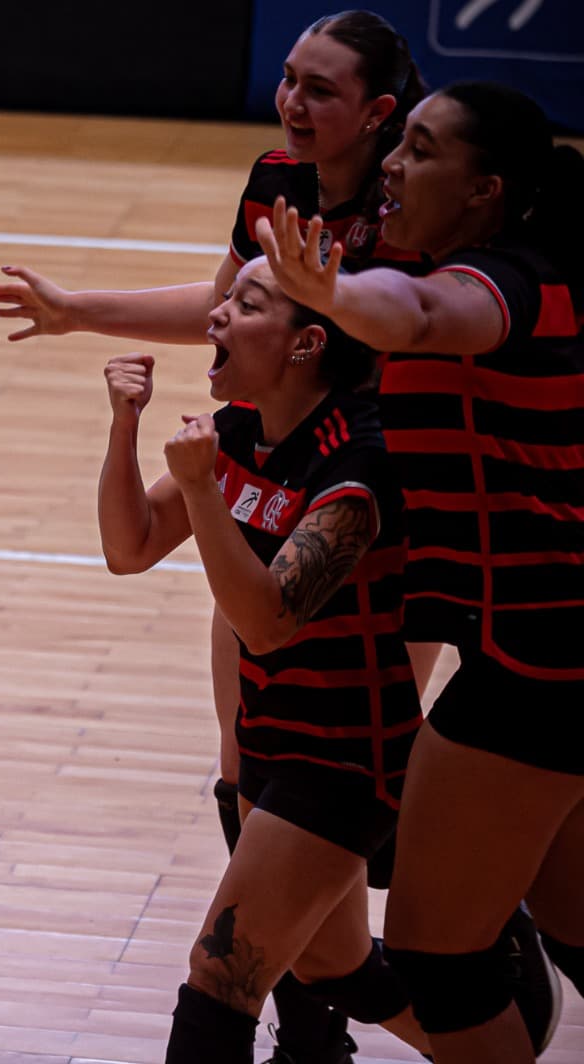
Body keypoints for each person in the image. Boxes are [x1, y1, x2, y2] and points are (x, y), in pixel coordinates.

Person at [0, 13, 429, 1060]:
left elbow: (409, 326)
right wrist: (78, 313)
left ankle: (379, 982)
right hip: (264, 453)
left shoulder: (410, 206)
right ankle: (323, 1015)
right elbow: (231, 306)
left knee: (337, 746)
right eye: (286, 79)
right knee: (245, 762)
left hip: (370, 495)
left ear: (377, 112)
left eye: (318, 90)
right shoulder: (274, 183)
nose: (291, 103)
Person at [258, 80, 584, 1064]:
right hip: (547, 652)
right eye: (396, 143)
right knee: (572, 926)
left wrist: (335, 294)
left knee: (438, 960)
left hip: (539, 664)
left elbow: (421, 316)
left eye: (423, 149)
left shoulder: (508, 284)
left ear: (486, 188)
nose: (393, 164)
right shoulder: (496, 268)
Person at [97, 257, 429, 1063]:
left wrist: (205, 494)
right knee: (334, 963)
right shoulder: (244, 431)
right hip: (270, 737)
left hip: (347, 754)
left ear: (306, 342)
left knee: (223, 972)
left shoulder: (357, 464)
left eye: (244, 305)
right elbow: (129, 546)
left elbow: (269, 621)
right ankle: (495, 1031)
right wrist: (125, 425)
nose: (215, 315)